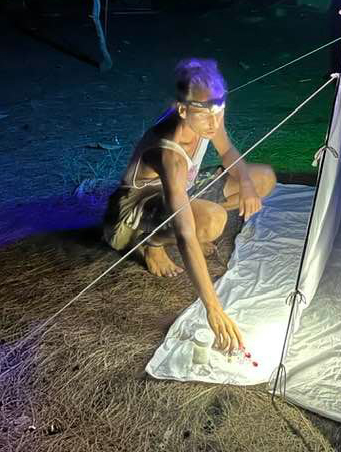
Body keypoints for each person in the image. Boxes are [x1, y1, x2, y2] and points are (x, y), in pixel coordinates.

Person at [102, 57, 276, 348]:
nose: (215, 123)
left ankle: (189, 224)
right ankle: (152, 243)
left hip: (182, 191)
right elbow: (184, 234)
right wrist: (214, 309)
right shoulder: (169, 152)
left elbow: (227, 150)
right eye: (206, 115)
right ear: (182, 109)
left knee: (263, 179)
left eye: (220, 112)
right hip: (132, 214)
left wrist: (245, 185)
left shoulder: (209, 114)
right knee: (211, 221)